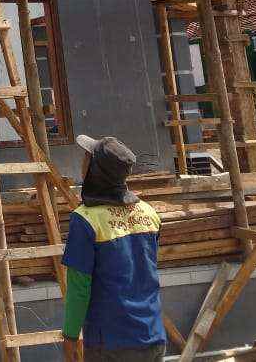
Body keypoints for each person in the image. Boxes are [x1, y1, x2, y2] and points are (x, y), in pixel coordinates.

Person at [62, 134, 164, 361]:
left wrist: (69, 336)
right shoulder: (149, 213)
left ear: (95, 171)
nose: (82, 162)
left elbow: (79, 288)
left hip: (110, 344)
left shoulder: (85, 220)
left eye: (87, 158)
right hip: (153, 336)